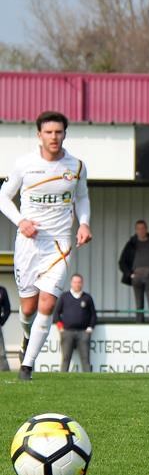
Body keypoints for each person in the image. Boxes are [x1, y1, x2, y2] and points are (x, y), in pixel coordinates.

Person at [0, 111, 92, 382]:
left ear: (65, 134)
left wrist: (84, 223)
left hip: (59, 244)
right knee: (27, 309)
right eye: (49, 132)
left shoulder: (76, 166)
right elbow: (3, 197)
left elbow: (83, 197)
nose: (54, 137)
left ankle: (27, 368)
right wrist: (20, 221)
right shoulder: (24, 165)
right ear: (39, 135)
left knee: (48, 303)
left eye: (59, 132)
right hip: (28, 244)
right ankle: (28, 338)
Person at [118, 219, 149, 323]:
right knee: (138, 303)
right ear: (136, 230)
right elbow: (122, 262)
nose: (141, 230)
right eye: (138, 229)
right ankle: (139, 324)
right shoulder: (131, 244)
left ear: (146, 229)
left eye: (143, 228)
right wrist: (130, 275)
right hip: (136, 277)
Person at [53, 273, 97, 373]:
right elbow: (56, 314)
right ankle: (62, 379)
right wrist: (61, 328)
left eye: (79, 282)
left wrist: (90, 329)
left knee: (85, 359)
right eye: (75, 282)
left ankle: (88, 380)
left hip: (83, 333)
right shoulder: (64, 297)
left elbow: (93, 315)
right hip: (67, 332)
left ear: (82, 283)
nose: (77, 284)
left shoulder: (87, 298)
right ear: (71, 283)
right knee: (65, 358)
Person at [0, 284, 11, 371]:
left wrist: (2, 321)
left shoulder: (2, 290)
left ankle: (4, 372)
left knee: (1, 353)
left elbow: (7, 308)